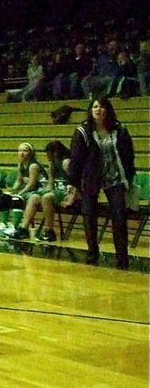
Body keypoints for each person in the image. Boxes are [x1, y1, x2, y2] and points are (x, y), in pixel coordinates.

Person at [65, 98, 136, 268]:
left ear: (108, 110)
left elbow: (128, 154)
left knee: (119, 216)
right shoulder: (82, 131)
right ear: (90, 110)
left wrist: (129, 176)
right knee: (89, 215)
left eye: (102, 106)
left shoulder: (120, 129)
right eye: (95, 106)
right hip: (91, 178)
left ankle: (122, 257)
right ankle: (92, 253)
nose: (98, 109)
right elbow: (76, 159)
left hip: (115, 177)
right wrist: (74, 184)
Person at [0, 143, 44, 239]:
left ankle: (15, 226)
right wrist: (12, 191)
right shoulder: (21, 164)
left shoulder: (33, 166)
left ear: (31, 153)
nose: (22, 153)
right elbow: (18, 181)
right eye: (20, 151)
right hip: (28, 190)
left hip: (38, 191)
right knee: (3, 196)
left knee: (17, 198)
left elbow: (31, 185)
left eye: (25, 151)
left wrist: (19, 193)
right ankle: (4, 223)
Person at [29, 140, 70, 243]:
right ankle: (23, 228)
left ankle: (49, 231)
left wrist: (71, 197)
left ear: (55, 152)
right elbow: (50, 184)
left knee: (47, 198)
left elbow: (76, 181)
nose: (46, 155)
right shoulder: (52, 164)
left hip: (67, 192)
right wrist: (41, 192)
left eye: (47, 152)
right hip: (57, 192)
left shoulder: (66, 162)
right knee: (34, 197)